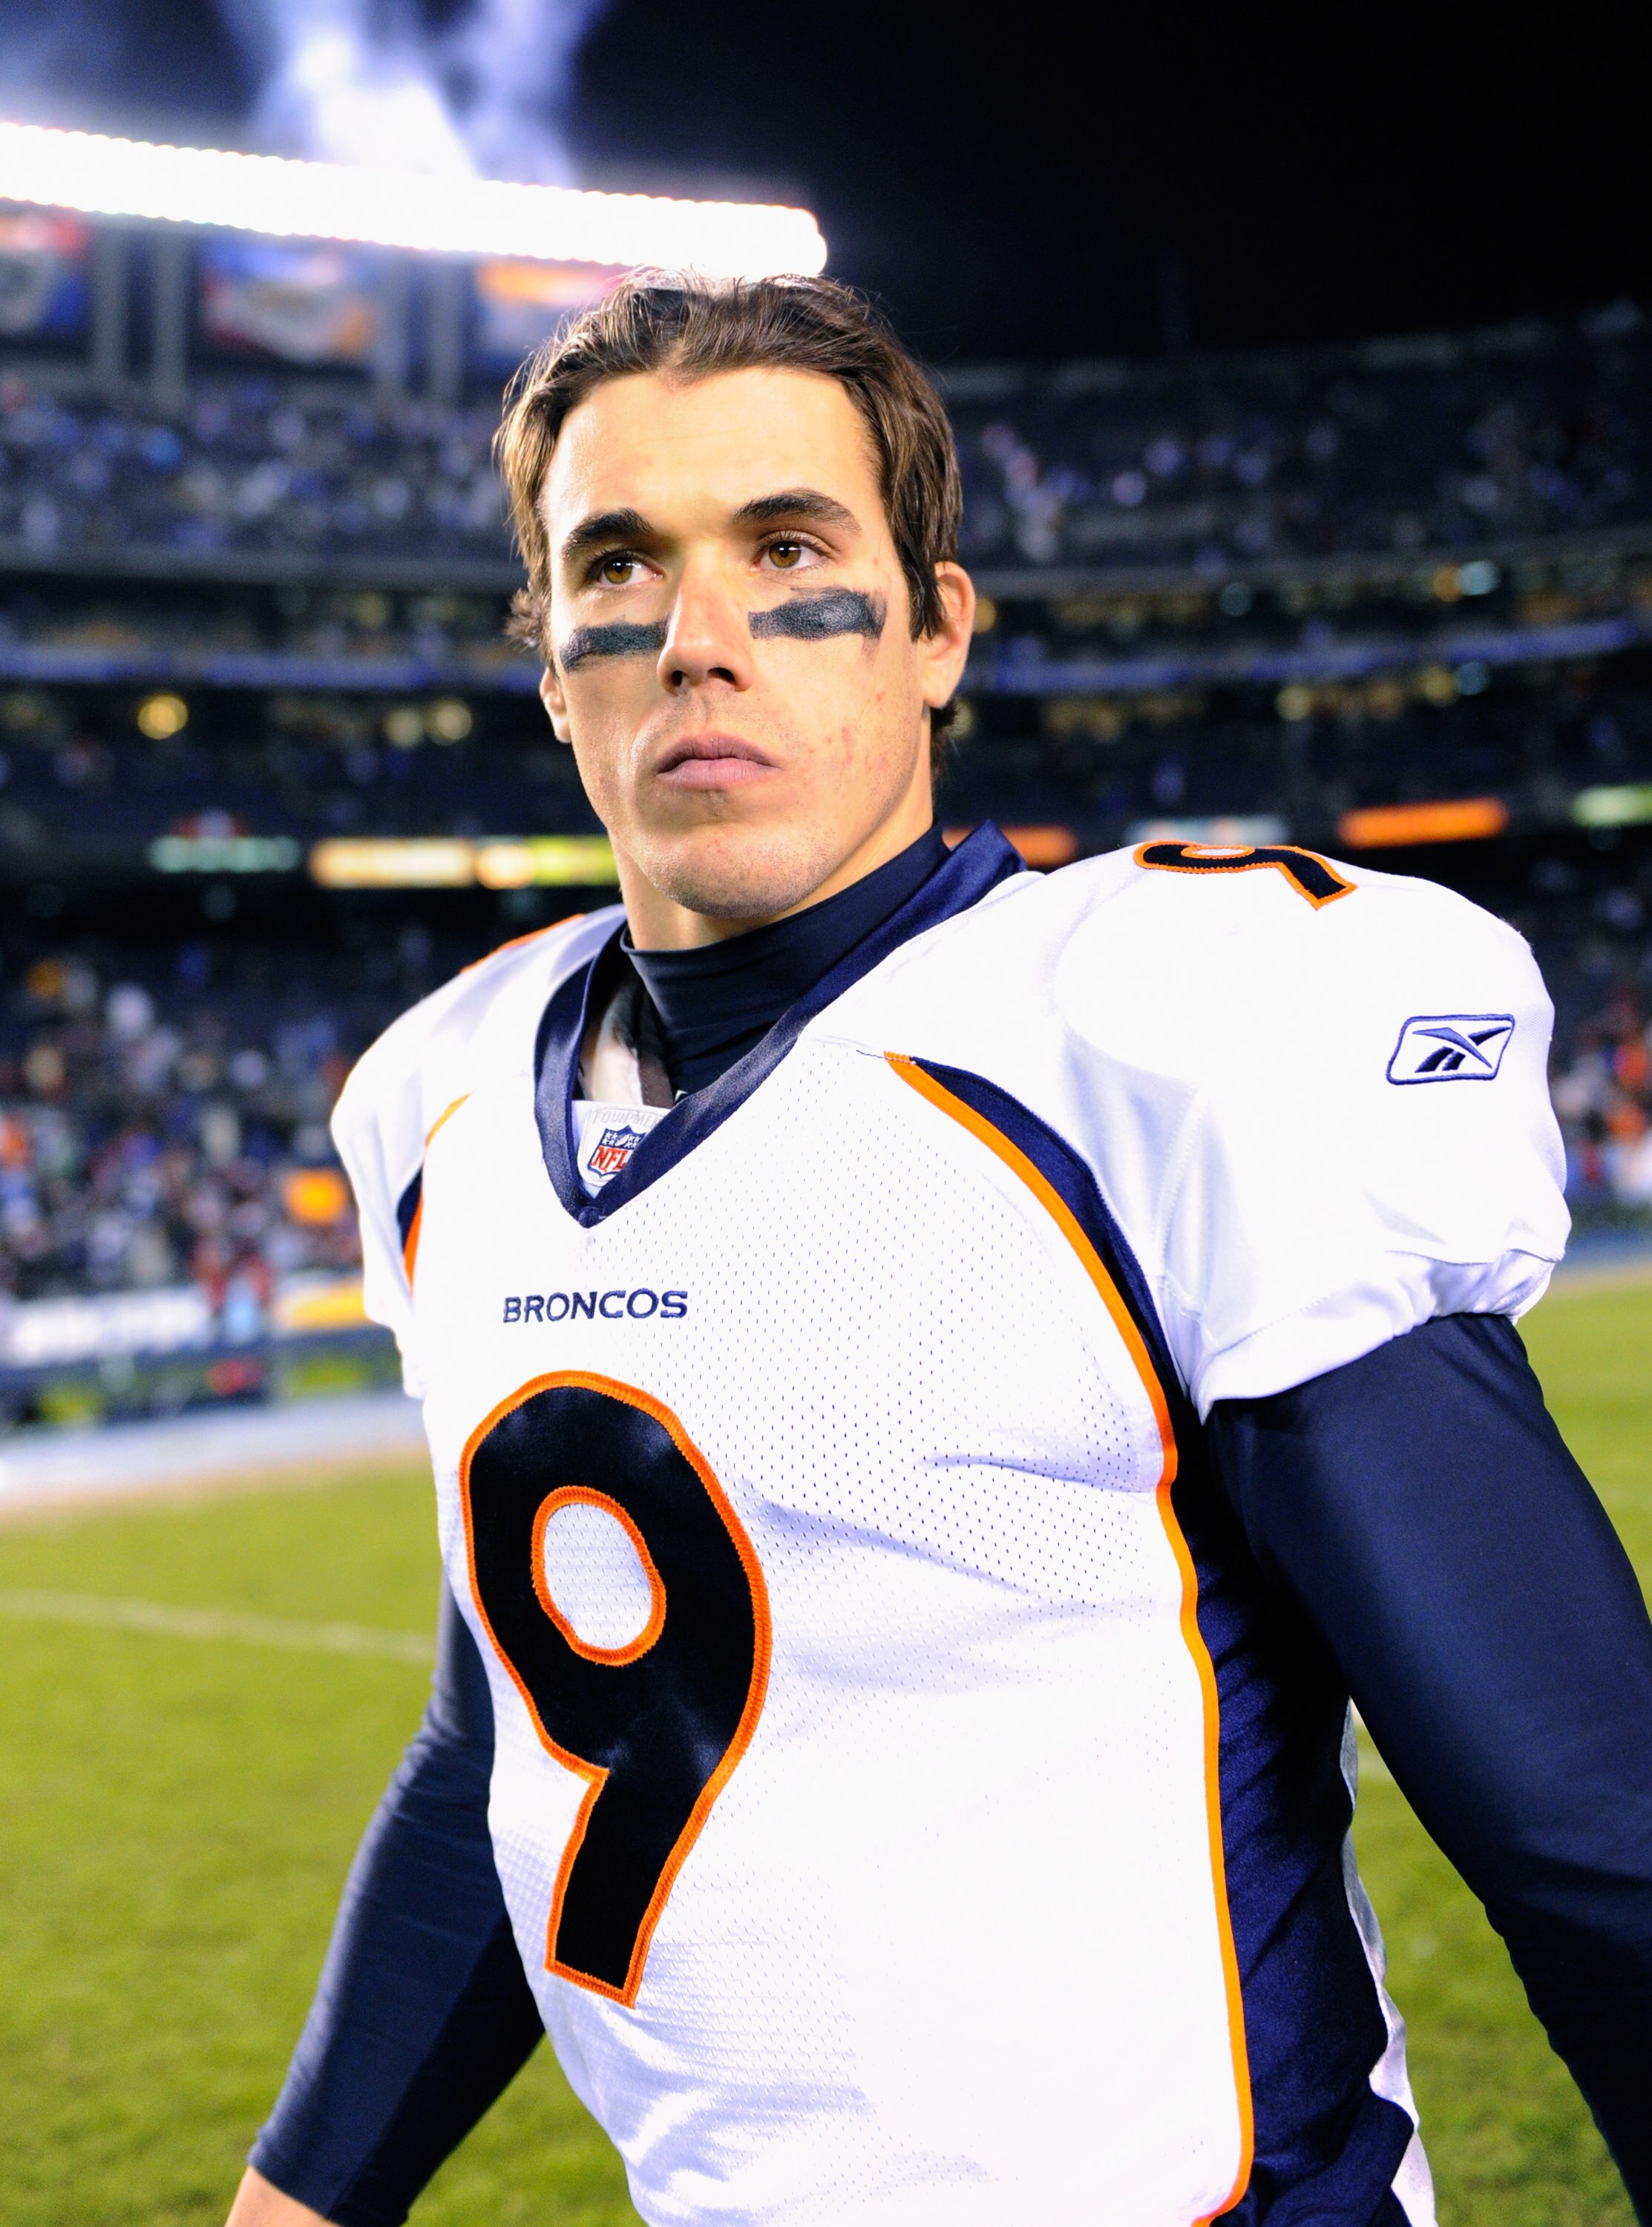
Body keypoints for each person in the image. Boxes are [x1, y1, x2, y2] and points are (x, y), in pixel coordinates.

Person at [225, 274, 1652, 2227]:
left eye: (788, 550)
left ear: (933, 633)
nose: (697, 637)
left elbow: (1582, 1824)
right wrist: (300, 2198)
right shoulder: (442, 1099)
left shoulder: (1157, 1034)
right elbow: (519, 1731)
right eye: (618, 564)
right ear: (552, 663)